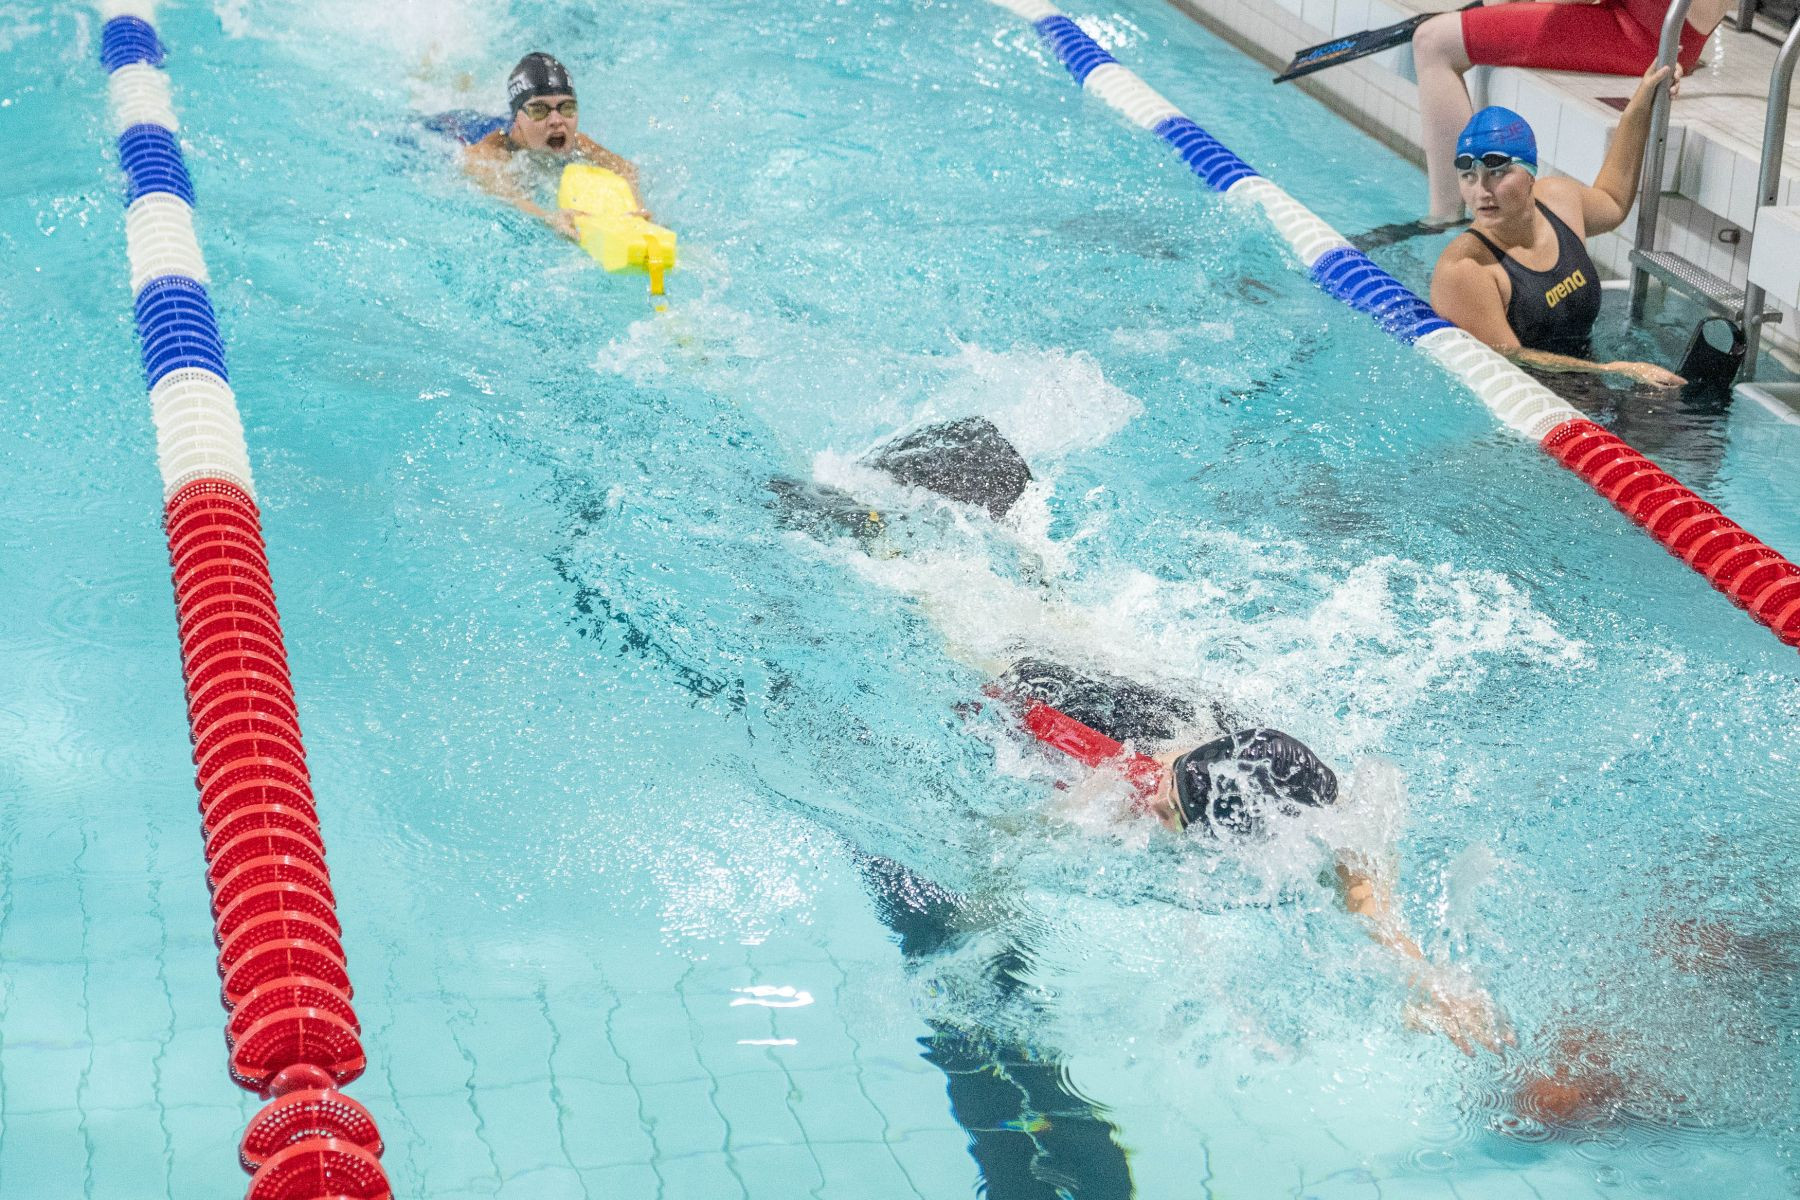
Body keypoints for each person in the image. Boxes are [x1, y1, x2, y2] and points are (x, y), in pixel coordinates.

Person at [773, 421, 1511, 1055]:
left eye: (1171, 811)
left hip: (1098, 669)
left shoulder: (1294, 786)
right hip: (1018, 672)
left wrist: (1423, 979)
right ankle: (859, 513)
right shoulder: (1122, 777)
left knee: (1050, 612)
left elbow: (1361, 872)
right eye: (1166, 791)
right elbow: (1006, 845)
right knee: (929, 597)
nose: (1155, 803)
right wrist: (978, 918)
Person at [1428, 71, 1686, 388]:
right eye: (1468, 176)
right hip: (1531, 397)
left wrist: (1639, 107)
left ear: (1530, 173)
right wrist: (1616, 370)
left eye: (1497, 173)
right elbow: (1512, 359)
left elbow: (1613, 201)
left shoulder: (1558, 200)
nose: (1481, 191)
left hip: (1589, 374)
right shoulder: (1464, 269)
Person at [1411, 0, 1730, 224]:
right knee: (1441, 34)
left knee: (1434, 42)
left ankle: (1445, 220)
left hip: (1649, 38)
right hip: (1639, 20)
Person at [462, 52, 647, 242]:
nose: (556, 121)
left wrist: (637, 209)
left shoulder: (577, 142)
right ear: (517, 119)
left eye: (566, 107)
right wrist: (549, 218)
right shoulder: (490, 151)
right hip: (458, 128)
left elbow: (626, 169)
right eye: (539, 110)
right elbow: (508, 197)